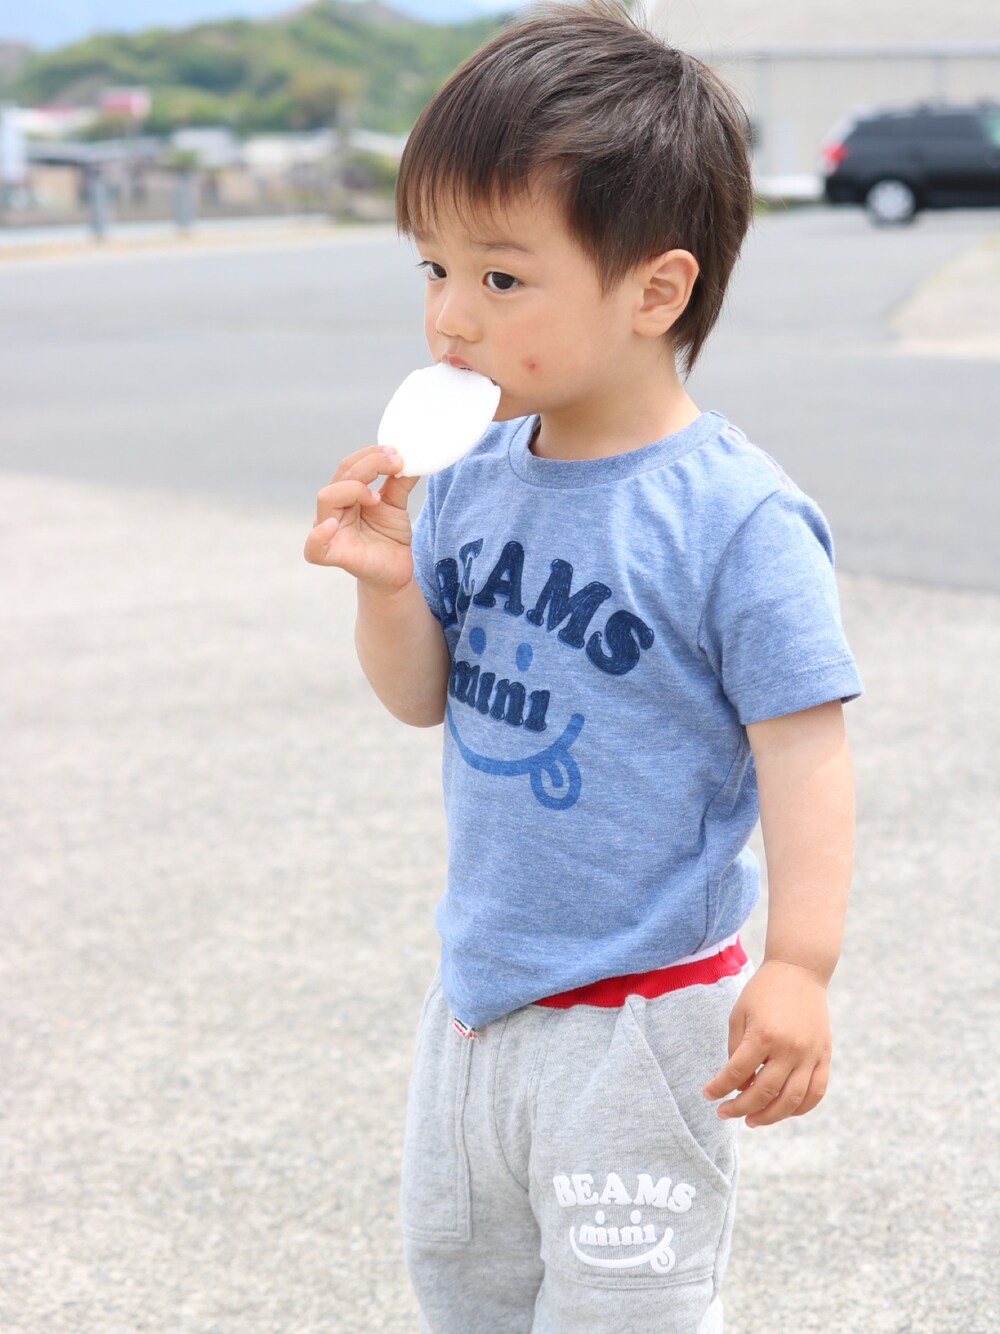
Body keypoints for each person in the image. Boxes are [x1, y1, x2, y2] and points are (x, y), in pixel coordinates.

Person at [304, 3, 862, 1330]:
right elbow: (421, 697)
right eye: (433, 268)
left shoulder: (734, 517)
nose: (450, 319)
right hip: (477, 1001)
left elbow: (805, 748)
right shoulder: (468, 479)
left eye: (501, 280)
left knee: (626, 1310)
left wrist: (799, 965)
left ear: (655, 290)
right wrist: (388, 584)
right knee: (471, 1297)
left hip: (641, 1021)